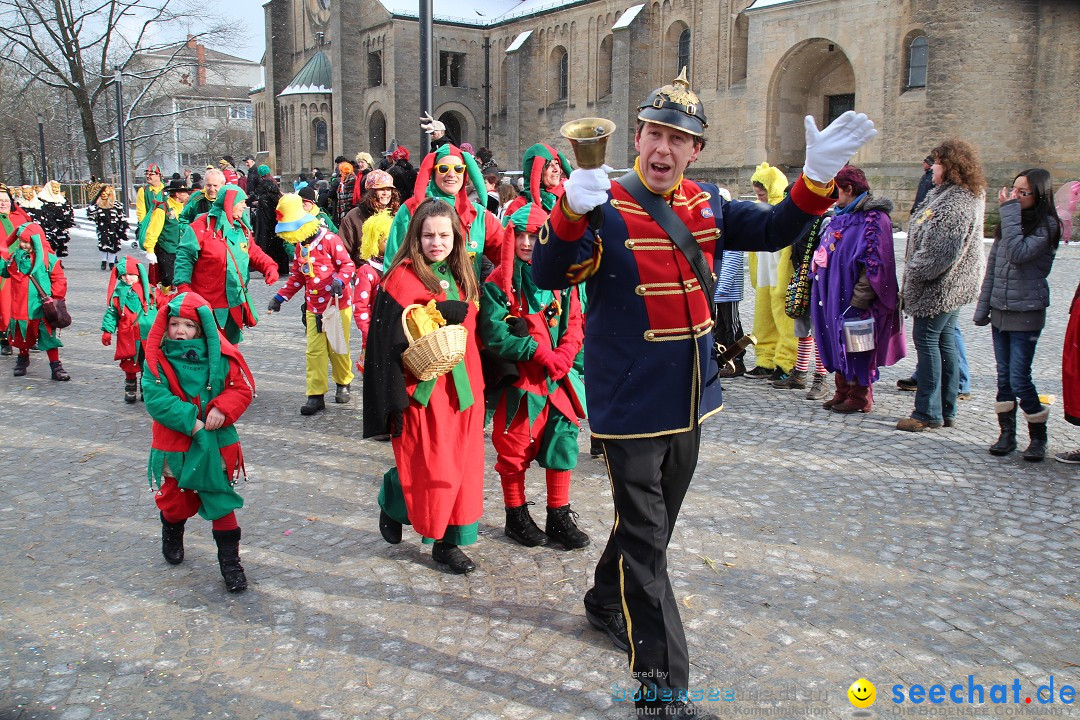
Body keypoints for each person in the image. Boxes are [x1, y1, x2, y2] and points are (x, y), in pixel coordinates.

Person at [531, 67, 875, 718]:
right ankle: (663, 691)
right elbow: (548, 273)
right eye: (653, 133)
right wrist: (570, 211)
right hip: (628, 402)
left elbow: (775, 230)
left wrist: (816, 179)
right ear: (636, 137)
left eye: (677, 139)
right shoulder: (600, 202)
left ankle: (607, 599)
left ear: (696, 151)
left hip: (690, 395)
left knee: (652, 530)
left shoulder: (710, 205)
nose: (662, 149)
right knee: (649, 542)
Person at [363, 198, 486, 574]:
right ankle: (396, 497)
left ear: (455, 237)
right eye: (428, 234)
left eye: (444, 235)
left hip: (465, 389)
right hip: (423, 390)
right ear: (416, 237)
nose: (437, 242)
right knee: (435, 469)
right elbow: (384, 344)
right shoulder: (400, 278)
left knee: (464, 469)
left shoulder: (462, 273)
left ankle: (450, 544)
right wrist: (434, 315)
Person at [478, 202, 589, 549]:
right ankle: (516, 515)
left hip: (559, 379)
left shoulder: (563, 277)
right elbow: (495, 333)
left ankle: (558, 515)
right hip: (522, 383)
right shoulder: (499, 282)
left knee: (564, 440)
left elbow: (574, 322)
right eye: (521, 235)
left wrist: (566, 354)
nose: (527, 242)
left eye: (535, 235)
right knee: (514, 447)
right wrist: (538, 353)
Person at [142, 291, 255, 593]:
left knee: (220, 501)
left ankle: (231, 564)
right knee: (177, 501)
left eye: (189, 326)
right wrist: (191, 422)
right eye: (175, 324)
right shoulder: (157, 359)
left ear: (202, 328)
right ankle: (172, 527)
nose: (181, 331)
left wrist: (222, 407)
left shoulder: (221, 356)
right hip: (176, 442)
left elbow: (240, 389)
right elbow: (156, 398)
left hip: (216, 443)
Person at [896, 139, 986, 432]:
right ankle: (946, 409)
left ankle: (927, 412)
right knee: (944, 343)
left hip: (939, 289)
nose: (931, 167)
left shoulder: (956, 202)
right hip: (946, 288)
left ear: (949, 166)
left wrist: (913, 273)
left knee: (928, 343)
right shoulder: (947, 195)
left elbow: (941, 253)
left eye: (935, 162)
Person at [974, 168, 1061, 460]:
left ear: (1039, 195)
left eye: (1022, 193)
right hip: (1000, 310)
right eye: (1014, 190)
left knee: (1020, 377)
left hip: (1026, 312)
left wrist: (1008, 211)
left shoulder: (1048, 226)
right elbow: (994, 269)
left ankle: (1038, 435)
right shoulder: (1010, 224)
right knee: (1004, 379)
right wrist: (983, 307)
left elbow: (1017, 254)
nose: (1015, 196)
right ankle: (1006, 434)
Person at [810, 165, 906, 414]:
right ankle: (842, 390)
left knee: (857, 344)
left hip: (856, 299)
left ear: (849, 189)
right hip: (833, 294)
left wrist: (860, 299)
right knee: (836, 340)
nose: (833, 196)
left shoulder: (874, 219)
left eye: (836, 190)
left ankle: (860, 395)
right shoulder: (840, 215)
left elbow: (875, 264)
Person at [267, 194, 356, 415]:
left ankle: (343, 382)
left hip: (336, 306)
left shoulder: (329, 240)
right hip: (313, 308)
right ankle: (315, 394)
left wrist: (339, 280)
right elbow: (297, 277)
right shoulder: (300, 246)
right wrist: (280, 297)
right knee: (314, 352)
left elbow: (348, 265)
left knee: (337, 347)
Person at [383, 144, 508, 283]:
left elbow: (507, 255)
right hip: (422, 301)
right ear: (433, 172)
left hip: (467, 301)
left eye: (458, 169)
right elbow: (393, 262)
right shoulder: (411, 209)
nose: (451, 174)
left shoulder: (479, 215)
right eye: (443, 169)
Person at [175, 185, 279, 344]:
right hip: (207, 305)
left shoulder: (241, 228)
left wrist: (269, 266)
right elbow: (184, 257)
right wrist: (183, 286)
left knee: (231, 351)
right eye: (242, 202)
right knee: (208, 350)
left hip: (234, 303)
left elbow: (253, 251)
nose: (245, 205)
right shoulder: (201, 227)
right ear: (229, 203)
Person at [745, 162, 798, 382]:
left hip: (781, 275)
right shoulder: (759, 209)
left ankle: (787, 362)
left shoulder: (785, 210)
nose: (761, 198)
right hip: (766, 275)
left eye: (763, 194)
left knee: (785, 321)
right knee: (763, 319)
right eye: (758, 194)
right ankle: (765, 360)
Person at [0, 222, 70, 380]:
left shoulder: (49, 259)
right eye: (21, 241)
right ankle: (23, 358)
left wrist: (56, 296)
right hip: (20, 306)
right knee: (22, 336)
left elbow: (59, 279)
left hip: (42, 306)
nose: (23, 245)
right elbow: (4, 272)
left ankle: (55, 365)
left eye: (27, 241)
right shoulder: (14, 259)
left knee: (48, 337)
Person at [101, 257, 155, 403]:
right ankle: (130, 388)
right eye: (124, 275)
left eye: (131, 274)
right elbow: (111, 313)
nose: (127, 278)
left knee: (146, 362)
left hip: (147, 334)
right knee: (129, 363)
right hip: (128, 335)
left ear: (138, 274)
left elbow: (163, 306)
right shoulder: (117, 295)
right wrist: (107, 330)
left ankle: (146, 388)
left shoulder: (150, 291)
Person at [353, 208, 392, 372]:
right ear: (375, 241)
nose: (389, 242)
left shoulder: (395, 266)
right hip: (374, 332)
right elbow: (360, 306)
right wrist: (369, 332)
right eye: (384, 239)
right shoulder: (367, 271)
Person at [140, 178, 193, 289]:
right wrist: (149, 250)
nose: (188, 195)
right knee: (168, 279)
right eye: (185, 192)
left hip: (180, 249)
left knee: (181, 278)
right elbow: (153, 230)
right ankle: (164, 300)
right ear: (177, 194)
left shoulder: (185, 208)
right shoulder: (162, 209)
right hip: (166, 250)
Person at [0, 184, 33, 357]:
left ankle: (28, 336)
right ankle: (4, 339)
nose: (2, 204)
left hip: (22, 267)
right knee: (4, 304)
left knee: (25, 302)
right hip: (2, 269)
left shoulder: (19, 218)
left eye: (5, 200)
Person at [503, 143, 573, 218]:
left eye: (557, 163)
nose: (556, 170)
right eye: (549, 165)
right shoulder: (519, 206)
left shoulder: (569, 198)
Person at [87, 184, 129, 270]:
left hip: (114, 228)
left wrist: (122, 227)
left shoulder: (116, 204)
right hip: (102, 228)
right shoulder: (97, 205)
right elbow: (91, 218)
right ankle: (103, 261)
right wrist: (90, 211)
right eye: (102, 192)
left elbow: (121, 217)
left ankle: (111, 263)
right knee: (103, 244)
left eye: (106, 191)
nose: (104, 194)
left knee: (113, 245)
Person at [35, 180, 74, 259]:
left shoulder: (62, 199)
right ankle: (49, 259)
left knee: (60, 243)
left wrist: (68, 220)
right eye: (54, 187)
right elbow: (41, 212)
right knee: (50, 243)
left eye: (57, 187)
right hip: (48, 225)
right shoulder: (42, 199)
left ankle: (58, 260)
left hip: (61, 225)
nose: (56, 189)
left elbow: (68, 210)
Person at [334, 162, 358, 226]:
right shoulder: (343, 180)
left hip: (348, 209)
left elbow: (350, 196)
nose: (340, 172)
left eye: (341, 170)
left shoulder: (352, 180)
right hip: (343, 209)